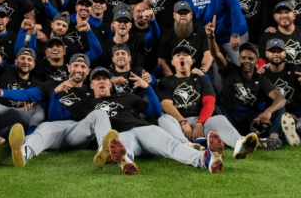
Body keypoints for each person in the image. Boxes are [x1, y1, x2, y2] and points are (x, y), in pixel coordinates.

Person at [68, 67, 224, 175]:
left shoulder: (126, 96)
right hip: (121, 134)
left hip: (143, 128)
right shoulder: (85, 103)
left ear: (110, 83)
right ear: (91, 85)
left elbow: (155, 112)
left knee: (171, 145)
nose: (101, 81)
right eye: (97, 79)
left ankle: (205, 159)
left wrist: (147, 88)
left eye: (104, 78)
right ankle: (126, 161)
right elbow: (60, 116)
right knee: (122, 145)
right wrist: (57, 93)